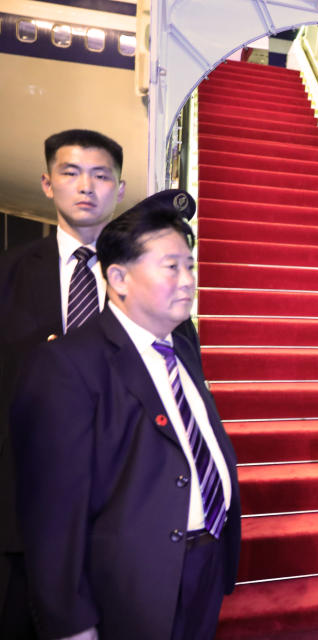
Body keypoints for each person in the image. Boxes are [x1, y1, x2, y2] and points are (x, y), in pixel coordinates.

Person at [9, 192, 241, 640]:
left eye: (190, 266)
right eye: (171, 267)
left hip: (205, 567)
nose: (189, 280)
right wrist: (70, 624)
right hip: (127, 591)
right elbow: (51, 515)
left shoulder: (184, 349)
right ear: (117, 277)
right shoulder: (67, 366)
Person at [0, 129, 126, 639]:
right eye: (71, 173)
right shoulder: (8, 274)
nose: (86, 187)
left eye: (101, 176)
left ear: (119, 189)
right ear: (48, 183)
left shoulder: (139, 280)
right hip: (20, 500)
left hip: (112, 503)